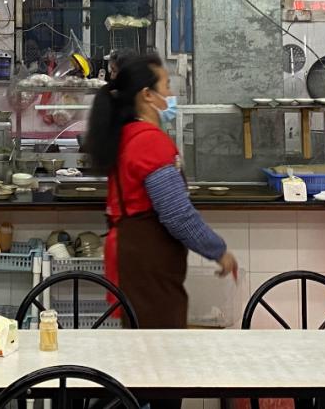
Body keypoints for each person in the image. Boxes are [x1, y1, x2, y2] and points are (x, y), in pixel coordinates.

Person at [86, 53, 239, 332]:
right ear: (147, 95)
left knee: (141, 341)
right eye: (167, 86)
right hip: (148, 261)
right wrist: (218, 250)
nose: (171, 94)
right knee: (158, 347)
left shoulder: (127, 135)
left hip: (132, 255)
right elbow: (177, 215)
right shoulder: (150, 143)